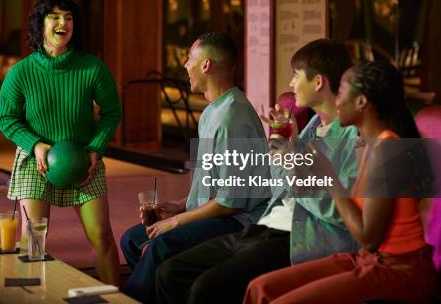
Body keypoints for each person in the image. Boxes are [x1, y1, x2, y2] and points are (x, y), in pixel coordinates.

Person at [156, 39, 359, 303]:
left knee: (204, 288)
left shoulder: (351, 137)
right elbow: (275, 188)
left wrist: (293, 163)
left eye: (296, 76)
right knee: (169, 272)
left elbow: (339, 214)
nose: (291, 84)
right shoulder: (310, 127)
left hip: (301, 237)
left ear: (318, 82)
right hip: (265, 225)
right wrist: (282, 151)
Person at [244, 61, 437, 304]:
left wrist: (330, 179)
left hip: (399, 270)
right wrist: (292, 149)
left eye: (342, 93)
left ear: (361, 102)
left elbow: (369, 237)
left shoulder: (387, 151)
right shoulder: (365, 144)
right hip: (367, 258)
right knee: (259, 287)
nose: (335, 101)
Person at [120, 32, 270, 303]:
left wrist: (175, 222)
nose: (185, 65)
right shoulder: (212, 111)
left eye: (189, 59)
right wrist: (179, 205)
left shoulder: (232, 117)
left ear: (206, 65)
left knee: (159, 245)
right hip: (219, 213)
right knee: (131, 239)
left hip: (238, 221)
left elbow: (230, 203)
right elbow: (213, 184)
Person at [0, 0, 121, 284]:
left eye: (68, 17)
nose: (62, 23)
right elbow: (7, 118)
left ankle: (116, 298)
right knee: (33, 241)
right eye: (54, 17)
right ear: (41, 24)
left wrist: (95, 149)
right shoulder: (21, 72)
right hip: (34, 161)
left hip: (83, 159)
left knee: (102, 236)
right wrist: (35, 144)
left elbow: (112, 113)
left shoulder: (92, 68)